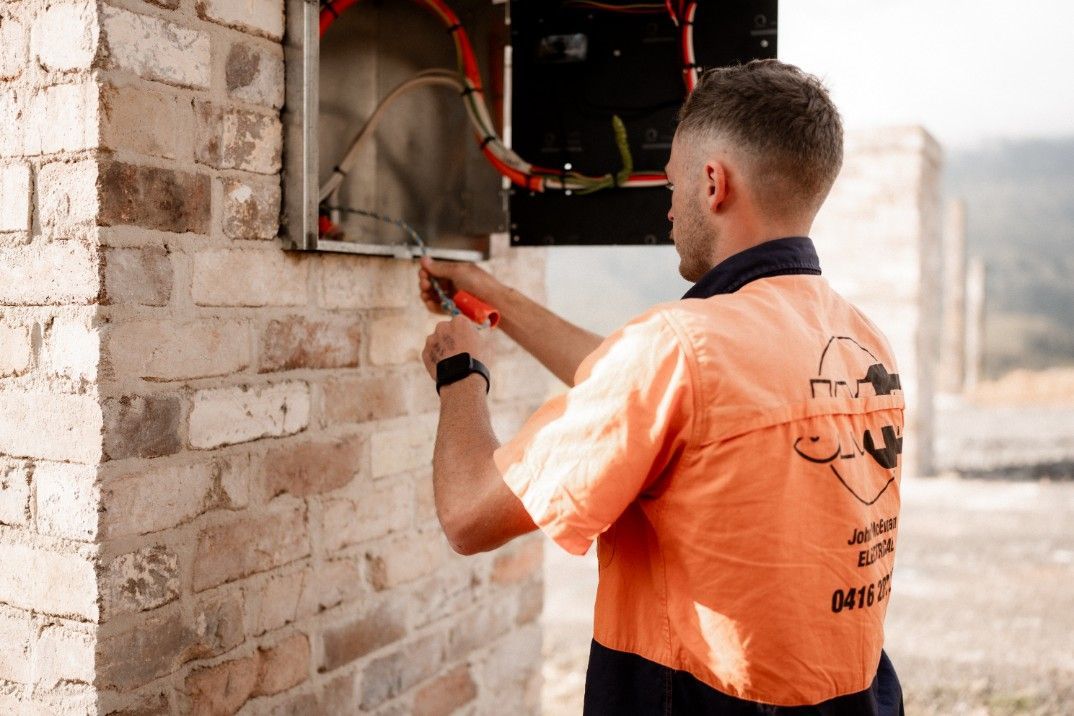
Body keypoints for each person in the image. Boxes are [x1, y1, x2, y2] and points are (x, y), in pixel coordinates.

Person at [418, 59, 905, 715]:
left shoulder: (676, 349)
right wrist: (499, 297)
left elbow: (469, 515)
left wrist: (459, 373)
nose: (667, 206)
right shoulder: (859, 338)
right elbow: (654, 399)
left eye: (672, 183)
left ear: (712, 184)